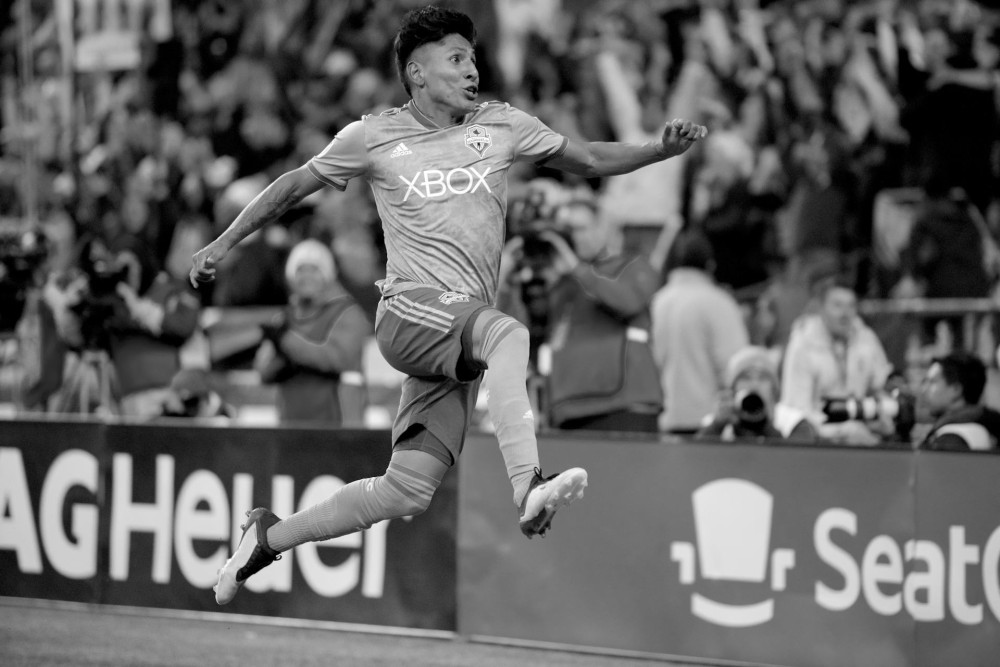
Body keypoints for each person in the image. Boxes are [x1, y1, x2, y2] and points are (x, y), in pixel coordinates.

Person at [189, 5, 707, 605]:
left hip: (460, 334)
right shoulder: (372, 136)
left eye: (473, 58)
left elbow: (588, 158)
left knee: (407, 489)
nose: (471, 70)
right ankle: (528, 486)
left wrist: (658, 151)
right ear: (416, 72)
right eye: (456, 58)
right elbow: (291, 188)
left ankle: (268, 538)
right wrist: (223, 242)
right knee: (510, 335)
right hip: (411, 312)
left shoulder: (502, 124)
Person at [497, 184, 662, 433]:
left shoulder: (631, 265)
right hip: (567, 408)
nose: (574, 238)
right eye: (567, 231)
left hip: (624, 403)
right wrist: (506, 281)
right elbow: (519, 336)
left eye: (580, 228)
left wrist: (576, 268)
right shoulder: (559, 281)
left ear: (603, 228)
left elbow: (628, 301)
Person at [253, 239, 371, 426]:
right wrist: (279, 358)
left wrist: (287, 343)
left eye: (314, 269)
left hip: (339, 421)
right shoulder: (285, 317)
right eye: (300, 270)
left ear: (327, 274)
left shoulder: (348, 313)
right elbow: (264, 372)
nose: (306, 276)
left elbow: (339, 358)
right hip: (291, 423)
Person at [650, 228, 748, 435]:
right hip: (710, 427)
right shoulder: (718, 303)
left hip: (661, 424)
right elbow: (737, 369)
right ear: (710, 265)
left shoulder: (655, 303)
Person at [780, 275, 893, 445]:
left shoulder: (866, 338)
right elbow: (797, 414)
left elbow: (882, 385)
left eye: (851, 306)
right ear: (821, 308)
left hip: (862, 432)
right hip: (817, 441)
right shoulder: (803, 344)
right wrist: (840, 432)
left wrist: (884, 416)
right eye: (837, 305)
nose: (845, 314)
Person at [696, 345, 819, 443]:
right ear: (732, 388)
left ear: (774, 387)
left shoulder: (793, 423)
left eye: (762, 378)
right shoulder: (716, 421)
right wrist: (717, 426)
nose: (754, 385)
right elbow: (695, 459)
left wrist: (764, 426)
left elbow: (798, 461)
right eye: (746, 378)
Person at [917, 351, 1000, 452]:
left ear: (956, 389)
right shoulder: (980, 428)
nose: (923, 390)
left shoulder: (952, 438)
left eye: (932, 382)